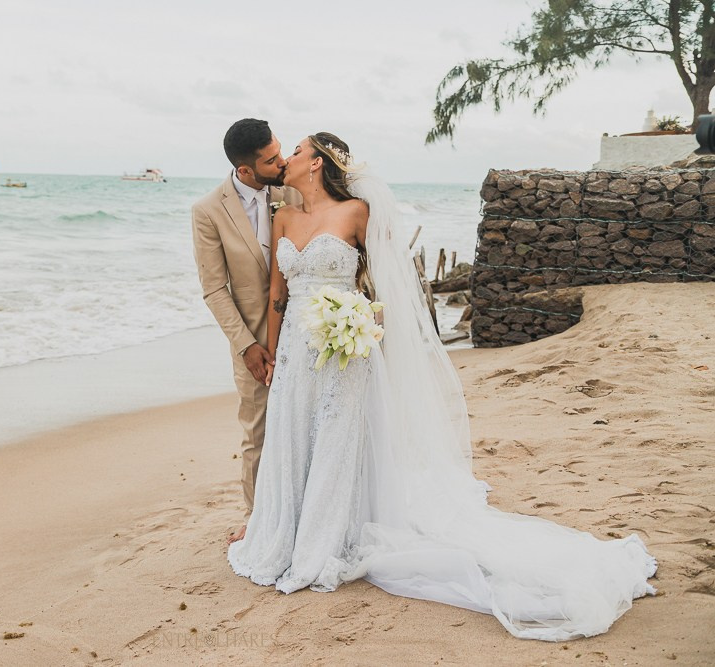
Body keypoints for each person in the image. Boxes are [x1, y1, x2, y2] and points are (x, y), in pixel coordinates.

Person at [227, 132, 657, 641]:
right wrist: (272, 353)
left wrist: (361, 323)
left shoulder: (357, 213)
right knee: (295, 438)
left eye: (297, 151)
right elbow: (277, 296)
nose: (288, 159)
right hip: (295, 356)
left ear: (318, 163)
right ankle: (289, 532)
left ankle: (326, 541)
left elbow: (389, 286)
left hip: (344, 351)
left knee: (337, 442)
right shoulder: (283, 217)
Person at [191, 119, 302, 544]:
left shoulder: (291, 189)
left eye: (281, 151)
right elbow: (214, 289)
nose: (283, 162)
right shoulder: (208, 211)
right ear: (245, 170)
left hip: (306, 328)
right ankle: (257, 518)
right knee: (258, 431)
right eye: (272, 160)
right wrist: (246, 346)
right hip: (254, 341)